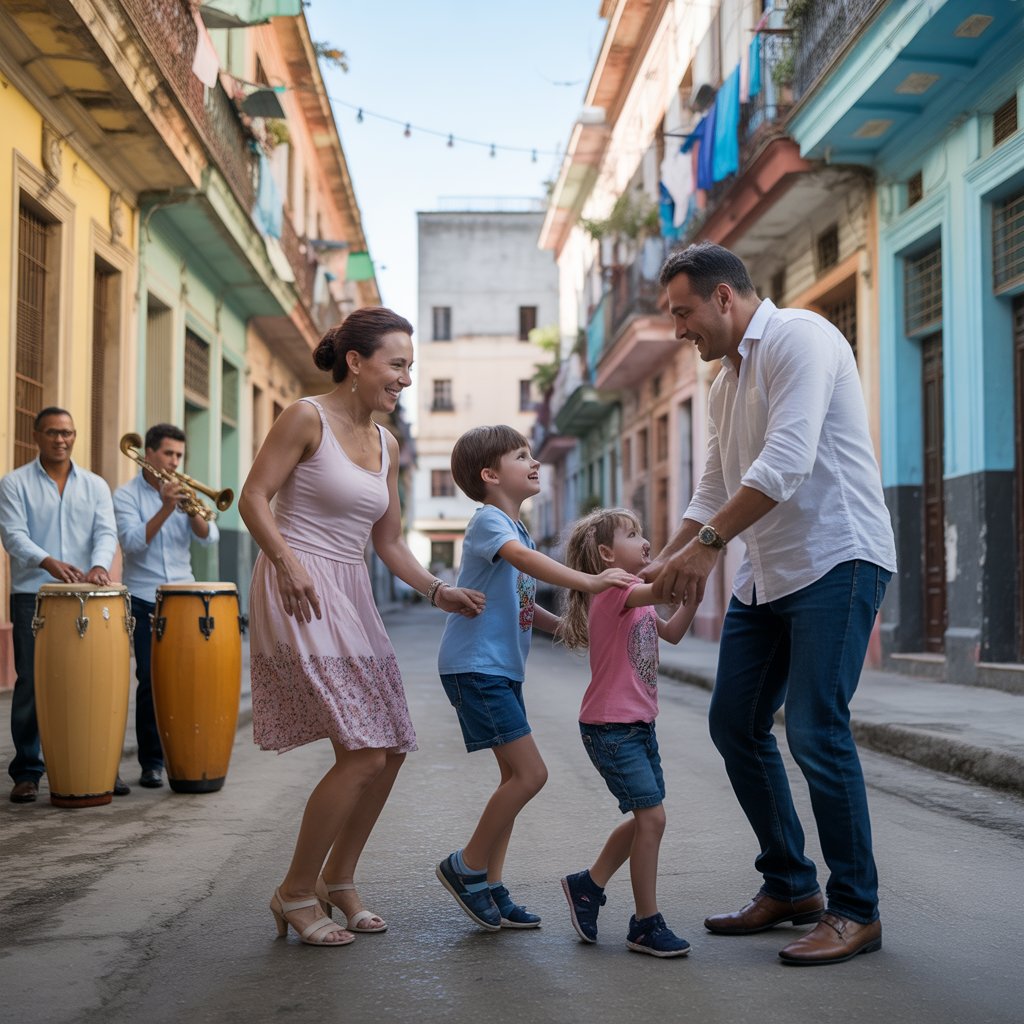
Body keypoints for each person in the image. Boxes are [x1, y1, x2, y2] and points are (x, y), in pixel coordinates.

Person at [644, 242, 897, 966]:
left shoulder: (800, 338)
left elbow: (786, 461)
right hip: (768, 572)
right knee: (735, 723)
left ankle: (856, 909)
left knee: (816, 729)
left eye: (684, 311)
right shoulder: (725, 381)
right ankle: (791, 885)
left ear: (725, 298)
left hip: (836, 557)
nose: (678, 328)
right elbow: (714, 484)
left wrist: (708, 548)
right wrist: (668, 562)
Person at [238, 307, 485, 947]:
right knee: (363, 749)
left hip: (349, 589)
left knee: (390, 746)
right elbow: (254, 497)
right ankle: (295, 891)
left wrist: (438, 589)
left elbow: (391, 541)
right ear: (356, 361)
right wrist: (286, 562)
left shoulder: (387, 444)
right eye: (397, 364)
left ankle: (338, 880)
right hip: (299, 586)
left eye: (409, 367)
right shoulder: (304, 417)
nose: (405, 379)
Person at [434, 425, 631, 932]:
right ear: (491, 475)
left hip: (499, 669)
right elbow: (524, 564)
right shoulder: (489, 523)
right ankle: (466, 868)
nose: (535, 462)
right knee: (530, 775)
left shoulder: (517, 529)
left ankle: (492, 886)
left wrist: (563, 626)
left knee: (512, 778)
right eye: (522, 456)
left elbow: (521, 599)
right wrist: (589, 580)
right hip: (475, 667)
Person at [556, 507, 697, 958]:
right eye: (632, 534)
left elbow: (672, 632)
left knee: (646, 818)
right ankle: (645, 924)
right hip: (610, 728)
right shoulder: (616, 589)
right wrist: (697, 554)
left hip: (637, 727)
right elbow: (661, 586)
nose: (644, 540)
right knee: (652, 819)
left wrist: (693, 596)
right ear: (605, 554)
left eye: (642, 532)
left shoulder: (636, 598)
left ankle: (587, 885)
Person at [0, 408, 120, 803]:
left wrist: (100, 564)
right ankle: (28, 772)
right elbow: (14, 535)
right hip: (34, 595)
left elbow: (106, 531)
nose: (61, 440)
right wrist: (47, 561)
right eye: (52, 432)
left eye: (67, 433)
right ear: (36, 435)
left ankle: (98, 766)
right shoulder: (14, 483)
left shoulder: (96, 485)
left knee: (91, 681)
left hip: (87, 596)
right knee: (32, 682)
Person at [113, 424, 219, 789]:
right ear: (150, 454)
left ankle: (187, 755)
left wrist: (189, 510)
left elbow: (208, 539)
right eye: (168, 454)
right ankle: (152, 762)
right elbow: (131, 543)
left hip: (184, 596)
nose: (174, 461)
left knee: (186, 682)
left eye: (179, 455)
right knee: (150, 682)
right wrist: (163, 508)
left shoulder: (185, 490)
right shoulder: (126, 496)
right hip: (144, 598)